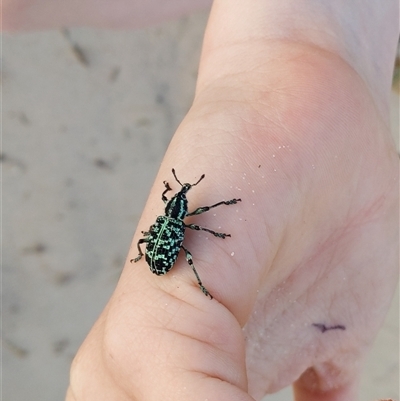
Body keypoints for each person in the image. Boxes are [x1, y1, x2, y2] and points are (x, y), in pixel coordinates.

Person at [5, 1, 399, 400]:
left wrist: (296, 42)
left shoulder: (170, 220)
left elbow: (161, 232)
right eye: (179, 197)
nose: (181, 200)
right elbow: (179, 232)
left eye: (180, 197)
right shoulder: (179, 223)